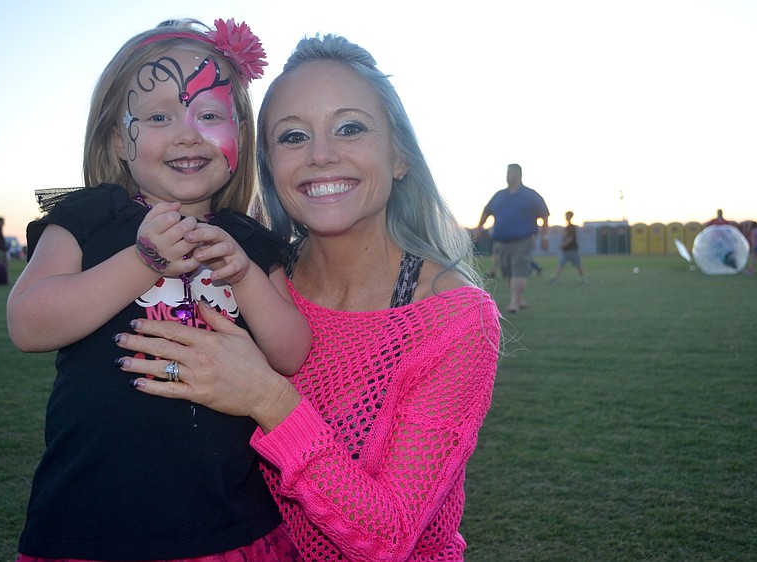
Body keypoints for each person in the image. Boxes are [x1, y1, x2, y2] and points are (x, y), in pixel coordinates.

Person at [114, 34, 501, 562]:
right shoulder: (247, 281)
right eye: (293, 137)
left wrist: (266, 398)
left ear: (400, 157)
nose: (321, 155)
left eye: (350, 128)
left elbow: (389, 538)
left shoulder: (454, 318)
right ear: (269, 166)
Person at [6, 18, 311, 561]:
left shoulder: (246, 242)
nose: (187, 133)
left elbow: (291, 353)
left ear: (239, 133)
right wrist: (144, 261)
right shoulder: (89, 220)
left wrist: (243, 276)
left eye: (210, 114)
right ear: (119, 138)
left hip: (229, 526)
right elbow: (28, 323)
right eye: (158, 116)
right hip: (89, 522)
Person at [477, 163, 549, 312]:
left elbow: (544, 215)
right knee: (508, 272)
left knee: (519, 270)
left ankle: (514, 303)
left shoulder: (530, 195)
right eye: (507, 172)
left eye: (510, 172)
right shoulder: (499, 195)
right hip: (502, 242)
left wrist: (544, 236)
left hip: (523, 240)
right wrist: (479, 228)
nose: (508, 175)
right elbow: (486, 212)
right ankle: (519, 298)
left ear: (518, 174)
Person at [550, 211, 587, 284]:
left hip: (572, 250)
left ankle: (583, 278)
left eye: (567, 216)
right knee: (561, 264)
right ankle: (555, 278)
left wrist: (563, 245)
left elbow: (571, 238)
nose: (566, 217)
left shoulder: (571, 227)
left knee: (578, 265)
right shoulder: (567, 227)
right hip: (566, 250)